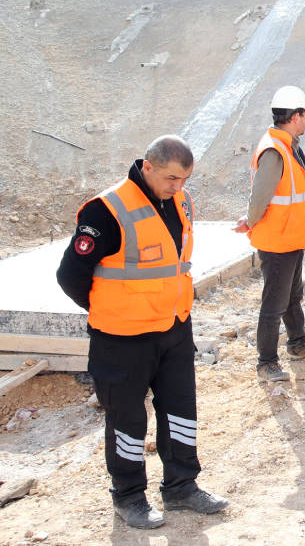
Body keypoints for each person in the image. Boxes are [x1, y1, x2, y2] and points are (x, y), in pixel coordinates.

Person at [56, 136, 227, 529]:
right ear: (147, 166)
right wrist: (113, 309)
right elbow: (70, 276)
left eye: (184, 179)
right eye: (171, 178)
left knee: (181, 409)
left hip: (173, 329)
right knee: (127, 419)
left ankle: (182, 486)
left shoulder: (179, 201)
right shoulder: (106, 211)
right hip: (122, 339)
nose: (178, 187)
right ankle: (129, 496)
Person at [233, 86, 305, 384]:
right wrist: (250, 220)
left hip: (291, 237)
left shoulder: (288, 145)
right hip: (277, 240)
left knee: (292, 296)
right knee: (274, 302)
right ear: (295, 116)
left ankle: (298, 342)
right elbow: (261, 195)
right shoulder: (275, 150)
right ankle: (267, 362)